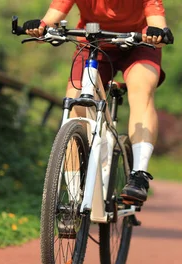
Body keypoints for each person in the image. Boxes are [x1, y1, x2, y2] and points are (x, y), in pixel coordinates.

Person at [24, 0, 173, 205]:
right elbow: (49, 20)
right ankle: (73, 198)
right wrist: (39, 29)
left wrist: (158, 34)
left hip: (139, 44)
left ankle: (139, 175)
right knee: (76, 104)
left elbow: (159, 26)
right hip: (94, 43)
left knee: (141, 90)